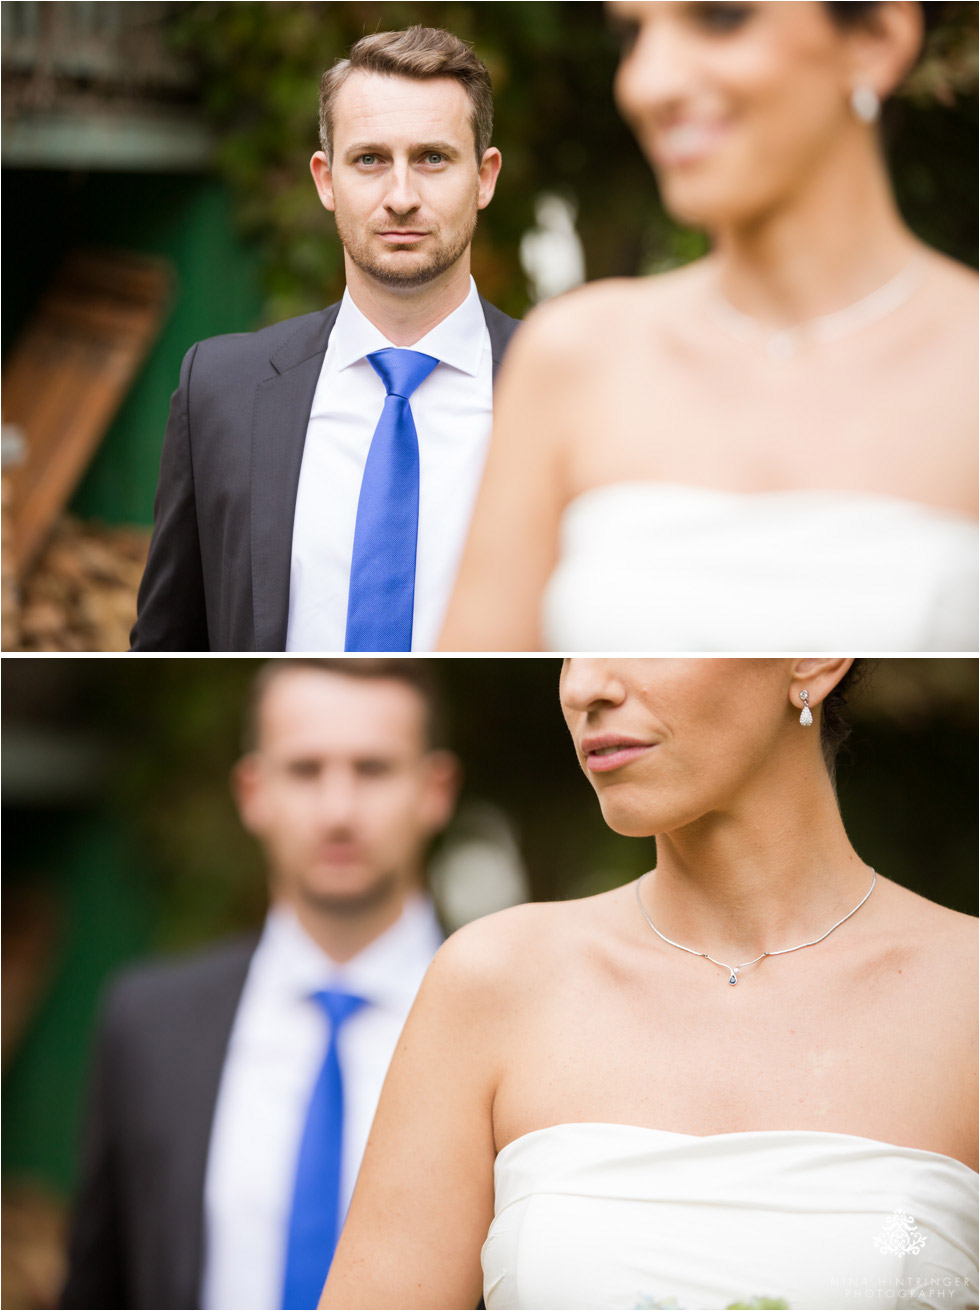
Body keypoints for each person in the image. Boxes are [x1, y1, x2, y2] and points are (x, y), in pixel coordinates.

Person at [321, 658, 978, 1311]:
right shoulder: (493, 981)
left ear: (812, 653)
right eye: (573, 647)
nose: (583, 687)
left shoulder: (965, 991)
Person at [439, 2, 978, 652]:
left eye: (721, 19)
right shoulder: (572, 357)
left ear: (875, 39)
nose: (647, 83)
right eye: (633, 33)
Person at [62, 658, 459, 1310]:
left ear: (436, 789)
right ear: (252, 792)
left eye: (373, 768)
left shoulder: (522, 1021)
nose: (338, 809)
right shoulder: (148, 1021)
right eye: (305, 769)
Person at [131, 26, 519, 652]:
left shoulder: (569, 391)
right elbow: (165, 644)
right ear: (325, 179)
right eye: (369, 159)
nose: (401, 198)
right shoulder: (220, 390)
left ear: (485, 177)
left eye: (432, 158)